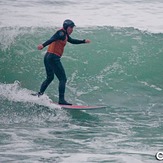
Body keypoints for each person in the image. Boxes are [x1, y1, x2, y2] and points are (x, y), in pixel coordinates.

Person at [35, 19, 90, 105]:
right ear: (66, 27)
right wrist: (43, 45)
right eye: (70, 27)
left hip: (48, 57)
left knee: (50, 77)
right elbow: (52, 39)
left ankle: (39, 94)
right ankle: (61, 100)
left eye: (72, 28)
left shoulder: (65, 35)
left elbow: (72, 41)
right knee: (63, 79)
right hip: (53, 57)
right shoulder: (61, 33)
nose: (72, 29)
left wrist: (83, 41)